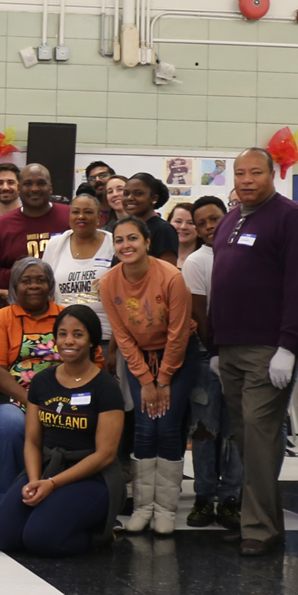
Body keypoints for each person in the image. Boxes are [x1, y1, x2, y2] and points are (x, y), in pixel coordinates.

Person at [207, 148, 298, 556]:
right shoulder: (231, 220)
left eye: (255, 172)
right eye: (240, 173)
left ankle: (259, 528)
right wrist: (215, 342)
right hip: (231, 348)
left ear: (273, 174)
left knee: (259, 435)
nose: (247, 179)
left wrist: (288, 346)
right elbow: (221, 283)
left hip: (267, 349)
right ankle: (258, 522)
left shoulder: (292, 219)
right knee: (247, 438)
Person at [0, 305, 125, 558]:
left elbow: (105, 455)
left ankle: (100, 534)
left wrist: (52, 484)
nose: (68, 341)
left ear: (92, 340)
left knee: (40, 539)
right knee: (0, 536)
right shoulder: (42, 381)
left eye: (78, 334)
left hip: (92, 476)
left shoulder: (105, 386)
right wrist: (34, 480)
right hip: (48, 469)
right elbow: (32, 441)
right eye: (62, 334)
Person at [99, 216, 194, 535]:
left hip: (177, 356)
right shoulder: (109, 282)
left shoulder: (171, 277)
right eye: (119, 240)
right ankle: (143, 507)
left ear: (147, 242)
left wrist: (164, 379)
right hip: (138, 358)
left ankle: (165, 509)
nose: (126, 245)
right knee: (142, 428)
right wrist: (145, 379)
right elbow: (122, 336)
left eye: (132, 239)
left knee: (166, 426)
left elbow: (179, 333)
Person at [0, 257, 62, 512]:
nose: (34, 286)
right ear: (15, 286)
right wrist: (30, 401)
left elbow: (91, 361)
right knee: (13, 425)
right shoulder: (0, 318)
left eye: (40, 280)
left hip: (61, 397)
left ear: (50, 285)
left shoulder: (66, 316)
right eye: (26, 281)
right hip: (10, 398)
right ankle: (7, 502)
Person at [181, 196, 240, 530]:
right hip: (207, 355)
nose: (208, 227)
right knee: (204, 428)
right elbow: (198, 314)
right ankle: (204, 497)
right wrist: (215, 352)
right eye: (200, 223)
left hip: (240, 353)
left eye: (213, 219)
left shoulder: (244, 253)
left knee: (234, 428)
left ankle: (231, 498)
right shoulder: (197, 261)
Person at [0, 164, 69, 308]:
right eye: (28, 184)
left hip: (66, 306)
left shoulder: (70, 217)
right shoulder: (2, 226)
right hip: (19, 309)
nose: (34, 189)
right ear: (19, 189)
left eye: (41, 183)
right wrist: (19, 277)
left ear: (50, 187)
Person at [41, 194, 113, 332]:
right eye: (75, 212)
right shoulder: (55, 245)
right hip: (65, 333)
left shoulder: (113, 243)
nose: (81, 216)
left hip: (105, 333)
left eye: (88, 212)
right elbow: (47, 289)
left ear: (99, 217)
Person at [122, 173, 178, 264]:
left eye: (138, 193)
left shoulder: (164, 229)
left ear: (154, 198)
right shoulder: (123, 228)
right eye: (126, 193)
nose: (130, 198)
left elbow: (167, 272)